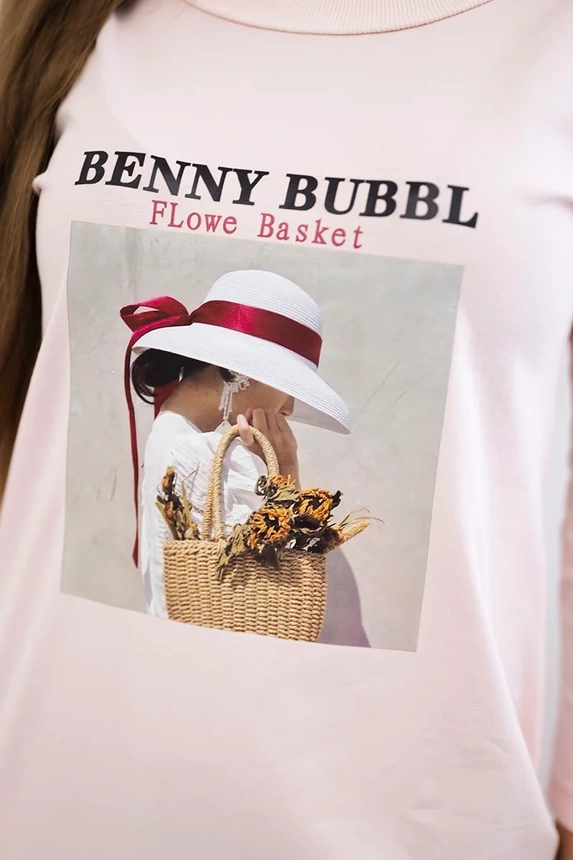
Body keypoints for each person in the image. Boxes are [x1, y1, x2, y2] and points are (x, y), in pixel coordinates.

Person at [1, 1, 573, 858]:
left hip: (420, 822)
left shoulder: (549, 42)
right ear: (237, 369)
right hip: (55, 799)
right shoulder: (65, 29)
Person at [122, 268, 349, 617]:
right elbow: (268, 589)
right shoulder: (198, 452)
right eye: (288, 386)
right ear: (239, 371)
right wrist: (286, 469)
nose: (288, 407)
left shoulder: (172, 434)